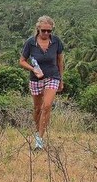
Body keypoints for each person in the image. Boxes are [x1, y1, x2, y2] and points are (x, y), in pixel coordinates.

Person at [19, 16, 64, 150]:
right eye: (43, 30)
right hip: (36, 79)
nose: (46, 33)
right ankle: (37, 131)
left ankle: (39, 140)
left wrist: (61, 79)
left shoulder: (56, 42)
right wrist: (33, 69)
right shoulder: (30, 43)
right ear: (38, 29)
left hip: (52, 77)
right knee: (38, 109)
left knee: (47, 106)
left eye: (49, 31)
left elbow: (60, 61)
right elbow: (22, 61)